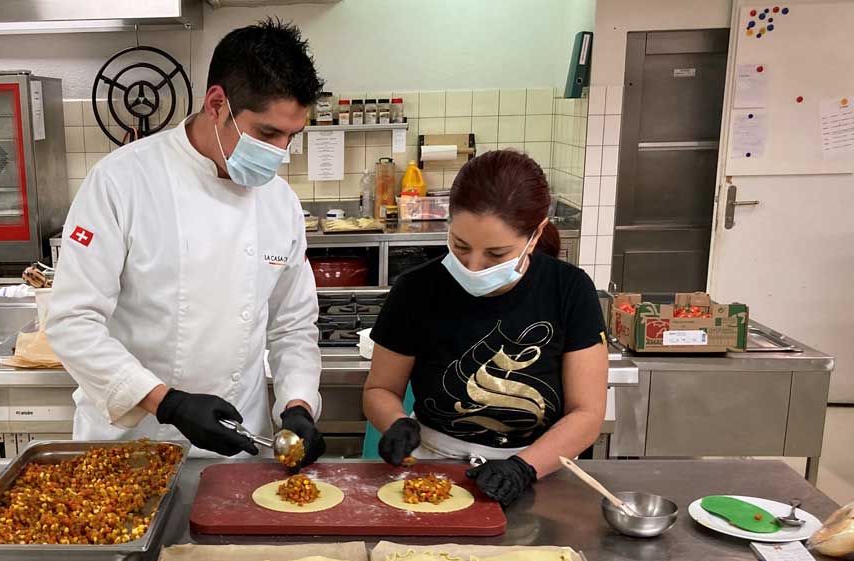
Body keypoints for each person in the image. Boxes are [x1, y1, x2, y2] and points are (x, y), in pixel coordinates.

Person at [43, 19, 326, 469]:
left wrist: (297, 404)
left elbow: (291, 326)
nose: (280, 152)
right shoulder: (122, 182)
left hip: (238, 446)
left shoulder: (281, 203)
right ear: (217, 104)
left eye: (292, 136)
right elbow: (72, 322)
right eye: (268, 134)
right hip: (131, 442)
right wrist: (167, 403)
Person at [363, 150, 608, 506]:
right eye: (461, 246)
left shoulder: (569, 290)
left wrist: (523, 468)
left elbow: (586, 413)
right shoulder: (416, 290)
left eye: (495, 255)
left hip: (540, 469)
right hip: (435, 466)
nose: (474, 266)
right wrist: (398, 422)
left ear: (536, 234)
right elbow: (380, 389)